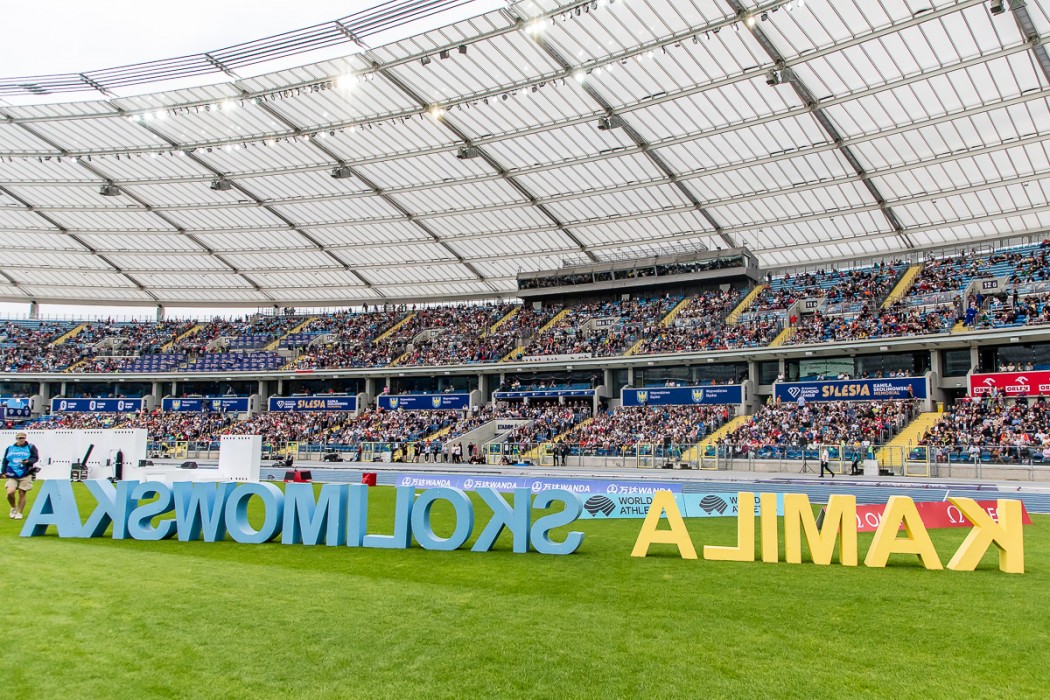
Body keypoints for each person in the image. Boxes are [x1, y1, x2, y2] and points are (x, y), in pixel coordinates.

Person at [3, 432, 39, 520]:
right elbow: (5, 460)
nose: (21, 439)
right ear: (16, 439)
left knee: (22, 493)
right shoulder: (10, 448)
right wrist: (3, 471)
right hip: (12, 472)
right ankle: (13, 507)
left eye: (23, 438)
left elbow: (35, 458)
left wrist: (28, 461)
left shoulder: (30, 447)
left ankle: (19, 512)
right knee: (10, 492)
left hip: (25, 472)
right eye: (20, 438)